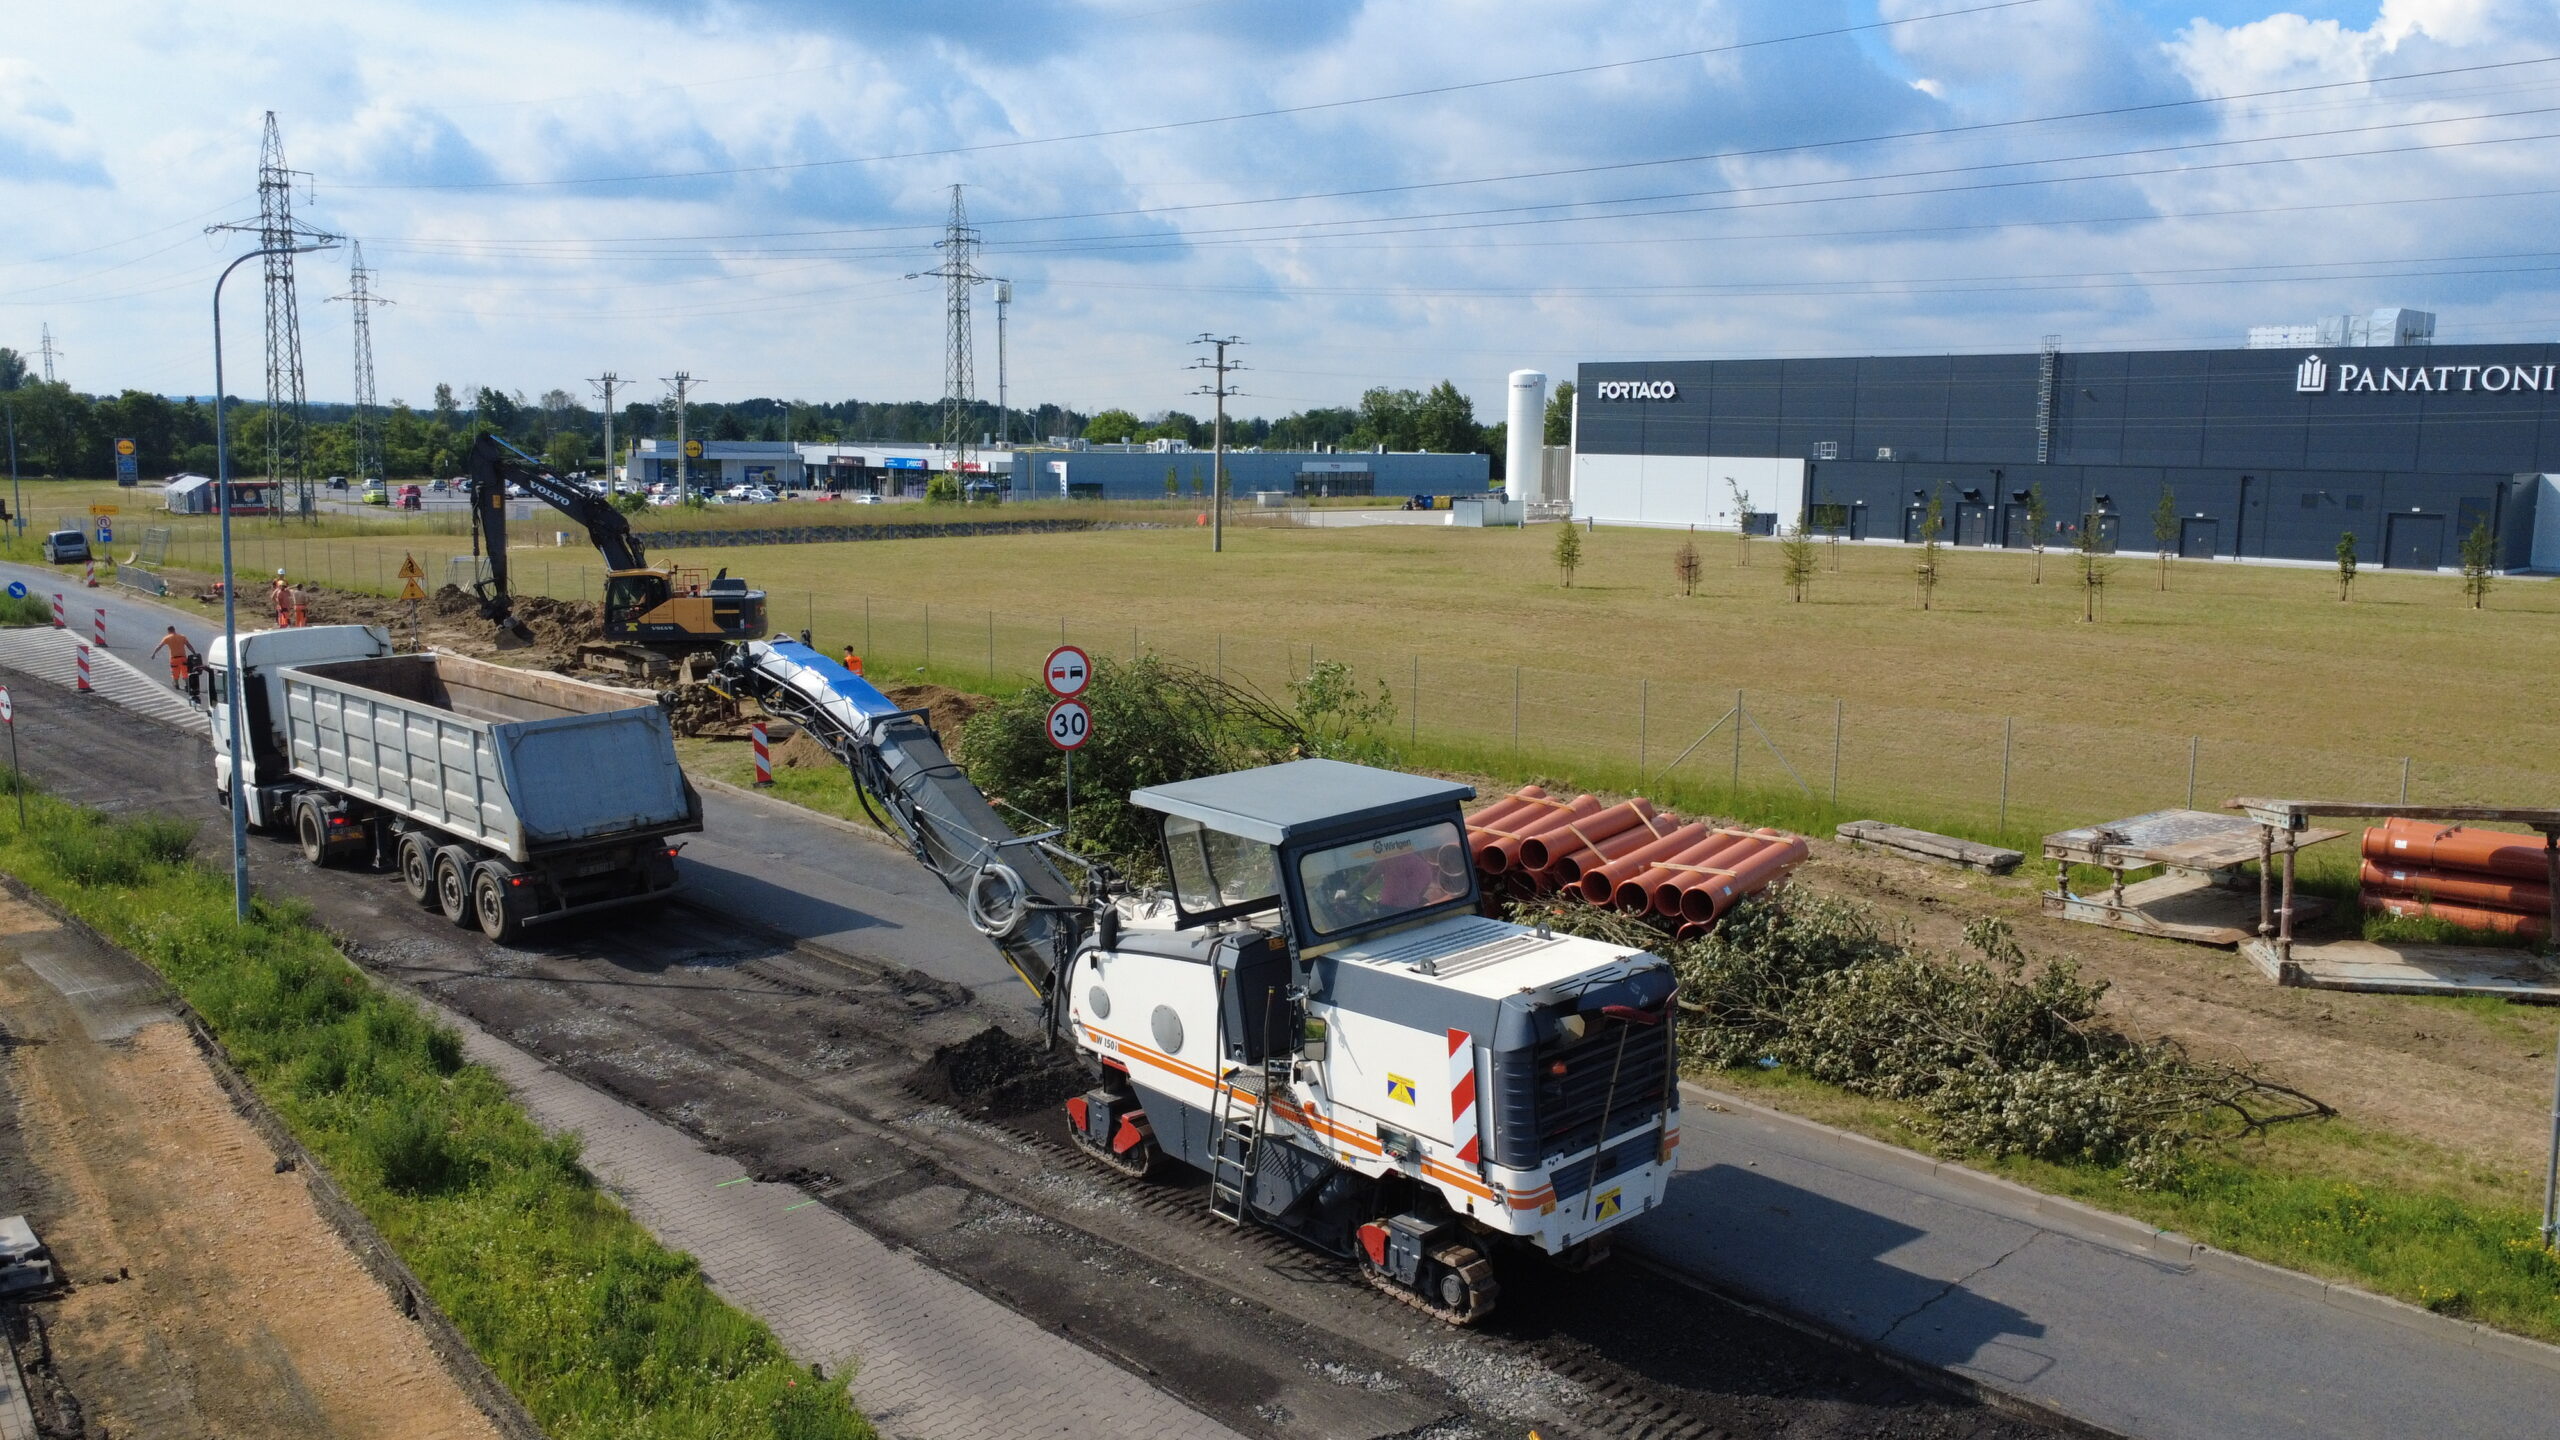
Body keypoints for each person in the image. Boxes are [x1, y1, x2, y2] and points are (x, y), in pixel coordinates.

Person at [151, 627, 198, 702]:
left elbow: (159, 646)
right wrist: (194, 653)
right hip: (183, 658)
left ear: (168, 631)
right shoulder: (182, 637)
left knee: (175, 673)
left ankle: (176, 685)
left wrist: (154, 653)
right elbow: (189, 645)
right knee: (185, 672)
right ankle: (187, 685)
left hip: (174, 659)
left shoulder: (167, 638)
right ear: (174, 630)